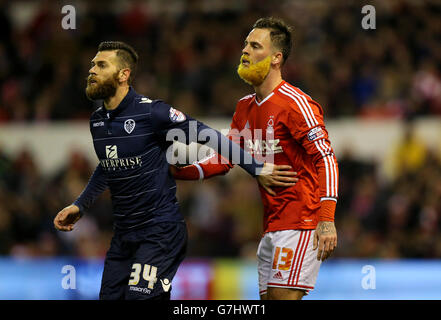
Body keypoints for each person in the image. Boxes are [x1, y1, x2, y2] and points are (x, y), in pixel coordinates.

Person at [53, 41, 294, 300]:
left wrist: (255, 167)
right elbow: (108, 165)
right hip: (124, 236)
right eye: (92, 65)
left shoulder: (152, 113)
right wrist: (80, 205)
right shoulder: (98, 121)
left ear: (123, 75)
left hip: (160, 232)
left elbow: (209, 135)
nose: (92, 70)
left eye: (101, 65)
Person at [171, 17, 339, 300]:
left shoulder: (296, 103)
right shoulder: (244, 107)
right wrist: (177, 172)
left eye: (254, 45)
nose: (245, 51)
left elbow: (326, 158)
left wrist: (327, 219)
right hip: (271, 225)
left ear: (276, 57)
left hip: (302, 221)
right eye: (245, 44)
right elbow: (224, 159)